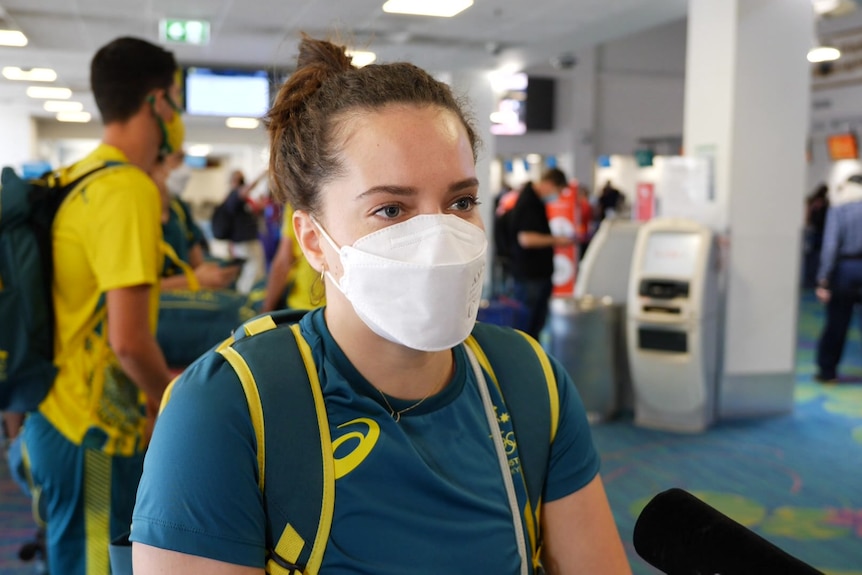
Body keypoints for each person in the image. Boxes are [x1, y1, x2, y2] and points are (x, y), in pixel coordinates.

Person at [131, 34, 630, 574]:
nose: (438, 237)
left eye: (460, 202)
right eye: (391, 210)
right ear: (314, 240)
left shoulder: (528, 382)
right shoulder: (225, 410)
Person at [20, 36, 178, 575]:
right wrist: (169, 399)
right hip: (93, 433)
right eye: (175, 98)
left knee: (75, 557)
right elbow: (129, 341)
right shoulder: (125, 189)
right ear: (157, 102)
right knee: (93, 566)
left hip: (52, 413)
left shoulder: (73, 179)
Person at [150, 152, 240, 290]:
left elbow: (198, 265)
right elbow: (133, 292)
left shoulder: (179, 208)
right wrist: (193, 280)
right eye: (178, 159)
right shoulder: (135, 212)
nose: (184, 169)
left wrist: (215, 275)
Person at [508, 169, 575, 339]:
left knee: (535, 325)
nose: (557, 196)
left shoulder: (535, 201)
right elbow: (527, 239)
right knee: (527, 328)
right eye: (558, 191)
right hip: (531, 276)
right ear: (550, 184)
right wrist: (557, 240)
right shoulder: (529, 202)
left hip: (536, 275)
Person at [815, 174, 862, 383]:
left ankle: (828, 371)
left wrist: (823, 278)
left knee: (837, 323)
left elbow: (830, 247)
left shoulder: (839, 211)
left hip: (844, 271)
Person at [260, 203, 325, 312]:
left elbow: (283, 263)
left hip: (304, 306)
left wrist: (266, 310)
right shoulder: (294, 204)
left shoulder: (297, 202)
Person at [220, 169, 268, 293]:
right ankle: (243, 299)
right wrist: (263, 174)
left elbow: (257, 209)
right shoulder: (233, 196)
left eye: (242, 179)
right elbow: (248, 188)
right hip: (242, 243)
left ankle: (252, 296)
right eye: (238, 180)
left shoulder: (246, 201)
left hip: (251, 241)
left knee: (257, 271)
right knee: (250, 272)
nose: (241, 183)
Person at [803, 182, 829, 289]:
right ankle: (812, 280)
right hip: (817, 233)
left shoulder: (817, 202)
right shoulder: (820, 203)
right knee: (814, 257)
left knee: (813, 257)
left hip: (816, 232)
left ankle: (812, 280)